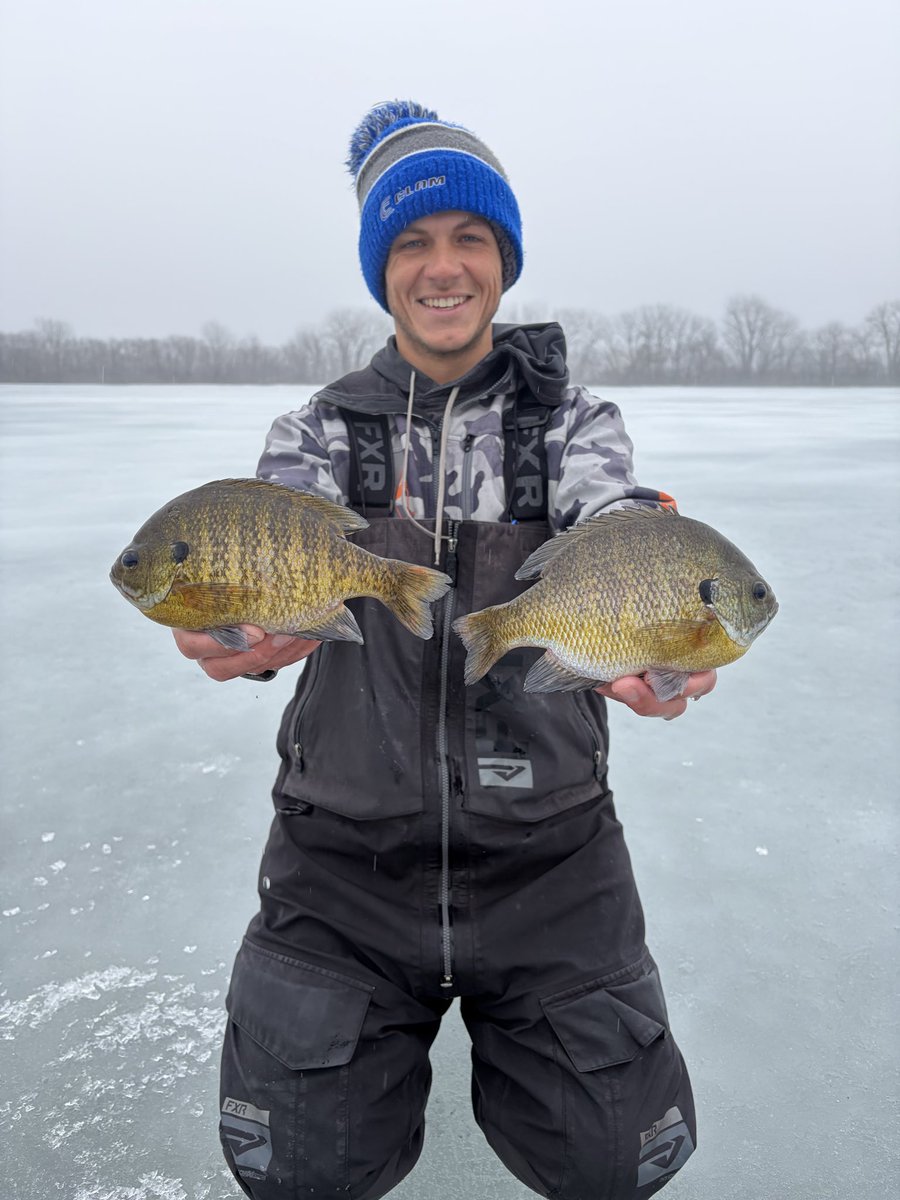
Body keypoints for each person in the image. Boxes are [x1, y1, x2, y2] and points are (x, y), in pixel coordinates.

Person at [175, 101, 716, 1200]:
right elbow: (280, 539)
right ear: (383, 268)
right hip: (343, 860)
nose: (443, 267)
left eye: (470, 238)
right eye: (413, 242)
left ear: (503, 259)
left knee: (616, 1157)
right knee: (300, 1168)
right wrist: (238, 626)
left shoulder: (573, 424)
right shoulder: (317, 431)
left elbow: (611, 514)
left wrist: (658, 622)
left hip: (552, 856)